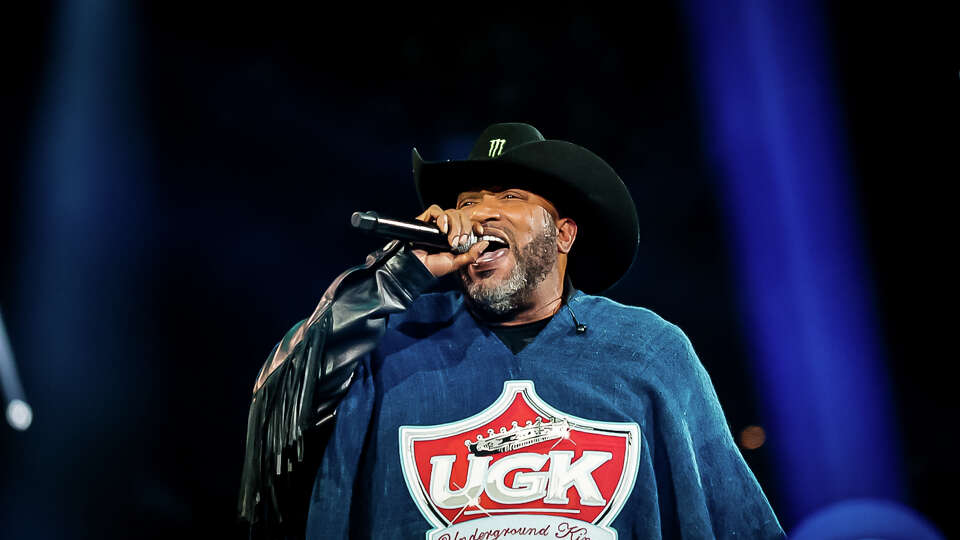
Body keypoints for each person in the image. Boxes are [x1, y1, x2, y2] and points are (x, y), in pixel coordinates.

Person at [238, 123, 785, 539]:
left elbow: (733, 515)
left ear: (564, 234)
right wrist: (394, 277)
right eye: (468, 201)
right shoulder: (388, 338)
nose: (479, 215)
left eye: (509, 197)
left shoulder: (648, 350)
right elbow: (282, 404)